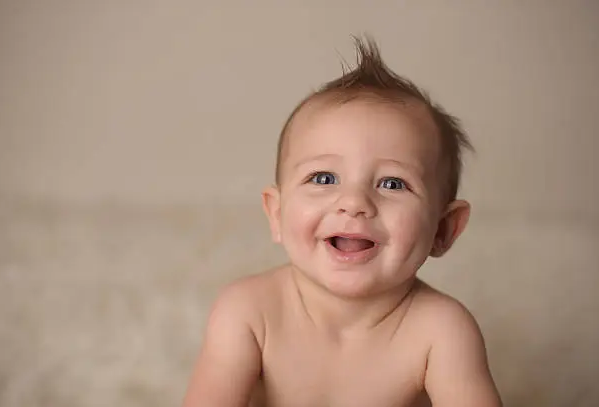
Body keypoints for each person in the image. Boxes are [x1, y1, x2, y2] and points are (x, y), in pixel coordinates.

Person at [182, 36, 503, 407]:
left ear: (443, 229)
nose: (353, 203)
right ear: (277, 213)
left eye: (392, 183)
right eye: (323, 178)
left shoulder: (442, 331)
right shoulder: (249, 312)